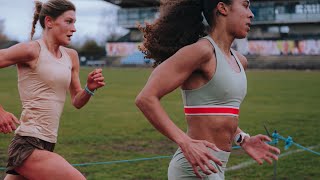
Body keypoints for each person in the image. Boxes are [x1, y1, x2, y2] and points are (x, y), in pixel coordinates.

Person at [135, 0, 280, 179]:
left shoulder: (240, 60)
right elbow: (145, 98)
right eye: (245, 5)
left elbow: (219, 113)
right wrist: (185, 142)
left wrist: (243, 139)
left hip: (216, 166)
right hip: (192, 168)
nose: (251, 14)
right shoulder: (201, 51)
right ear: (222, 8)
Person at [0, 0, 105, 179]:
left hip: (48, 142)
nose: (74, 28)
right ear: (49, 21)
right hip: (27, 144)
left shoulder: (71, 56)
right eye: (68, 21)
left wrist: (89, 89)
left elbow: (77, 101)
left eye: (75, 22)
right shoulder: (31, 50)